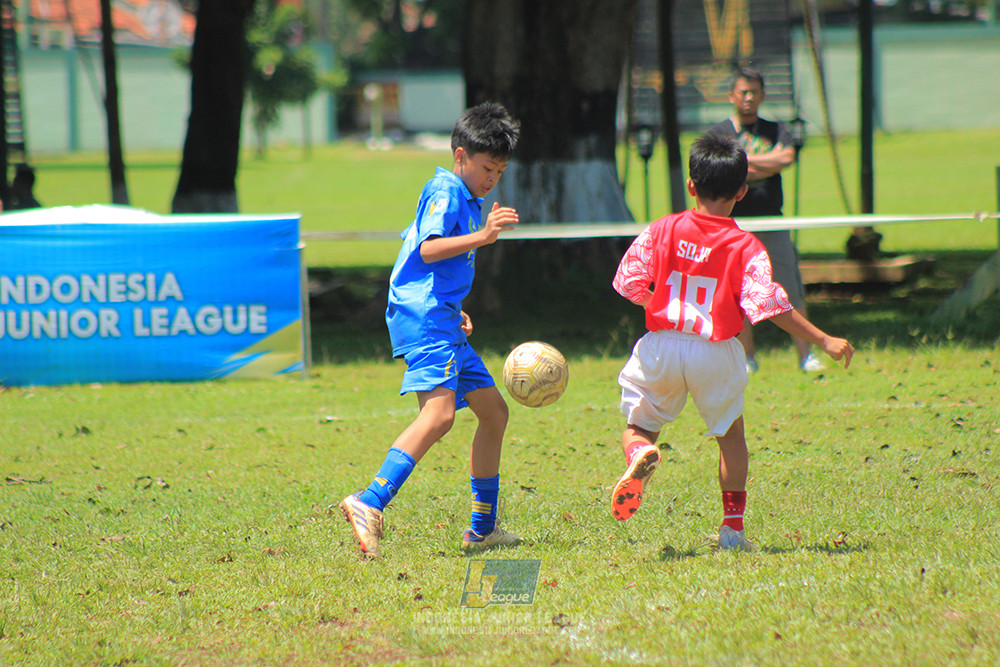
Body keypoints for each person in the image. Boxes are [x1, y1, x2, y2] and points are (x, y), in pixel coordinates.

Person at [609, 133, 854, 551]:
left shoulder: (663, 229)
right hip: (715, 351)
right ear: (742, 191)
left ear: (691, 185)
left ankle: (638, 453)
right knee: (731, 437)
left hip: (662, 344)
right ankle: (732, 531)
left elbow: (627, 280)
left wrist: (662, 303)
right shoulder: (745, 246)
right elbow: (771, 307)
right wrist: (823, 338)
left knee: (639, 425)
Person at [338, 102, 522, 559]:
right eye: (485, 168)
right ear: (460, 156)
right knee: (439, 416)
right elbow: (429, 247)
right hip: (424, 320)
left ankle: (482, 530)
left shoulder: (466, 196)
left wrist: (455, 309)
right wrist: (483, 236)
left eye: (499, 171)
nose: (491, 179)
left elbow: (430, 267)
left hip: (441, 318)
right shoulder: (445, 189)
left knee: (494, 413)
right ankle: (368, 502)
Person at [708, 67, 823, 373]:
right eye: (743, 92)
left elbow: (786, 158)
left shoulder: (776, 129)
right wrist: (763, 163)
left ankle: (805, 356)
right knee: (737, 292)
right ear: (731, 95)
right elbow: (721, 168)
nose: (748, 98)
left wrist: (741, 161)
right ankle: (746, 358)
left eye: (754, 92)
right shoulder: (717, 133)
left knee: (789, 289)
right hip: (732, 226)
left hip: (772, 221)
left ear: (762, 95)